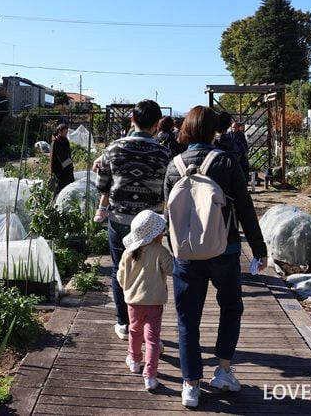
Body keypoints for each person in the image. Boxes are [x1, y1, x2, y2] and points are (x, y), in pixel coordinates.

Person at [164, 106, 268, 409]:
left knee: (187, 319)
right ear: (213, 131)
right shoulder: (226, 161)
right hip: (225, 248)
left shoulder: (174, 165)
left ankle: (190, 385)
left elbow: (167, 211)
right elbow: (246, 209)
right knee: (231, 306)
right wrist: (259, 250)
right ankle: (223, 371)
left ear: (186, 130)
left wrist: (171, 248)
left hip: (185, 253)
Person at [95, 99, 172, 340]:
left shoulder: (113, 149)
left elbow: (102, 184)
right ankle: (148, 324)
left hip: (119, 220)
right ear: (157, 124)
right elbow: (167, 190)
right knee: (149, 270)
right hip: (150, 224)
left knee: (120, 269)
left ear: (132, 121)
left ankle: (124, 322)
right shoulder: (163, 153)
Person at [117, 210, 173, 391]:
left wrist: (129, 289)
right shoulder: (161, 252)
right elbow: (172, 270)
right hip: (154, 302)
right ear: (155, 233)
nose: (163, 232)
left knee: (134, 331)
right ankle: (150, 375)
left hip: (133, 302)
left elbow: (120, 277)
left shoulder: (128, 253)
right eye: (161, 230)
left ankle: (134, 360)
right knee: (152, 339)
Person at [51, 123, 74, 193]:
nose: (66, 133)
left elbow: (68, 154)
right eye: (65, 132)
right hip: (60, 170)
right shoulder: (56, 142)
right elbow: (57, 158)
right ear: (59, 132)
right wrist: (68, 163)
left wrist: (70, 164)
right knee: (61, 188)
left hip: (67, 167)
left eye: (67, 132)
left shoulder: (65, 140)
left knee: (69, 187)